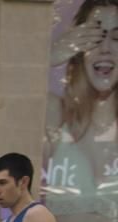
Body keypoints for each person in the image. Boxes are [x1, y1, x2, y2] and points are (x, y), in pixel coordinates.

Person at [44, 0, 118, 196]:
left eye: (117, 38)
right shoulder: (55, 114)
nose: (105, 49)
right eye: (94, 37)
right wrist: (48, 57)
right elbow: (5, 105)